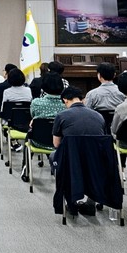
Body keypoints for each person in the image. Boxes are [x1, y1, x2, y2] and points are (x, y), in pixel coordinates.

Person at [51, 86, 106, 215]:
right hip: (97, 160)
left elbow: (56, 144)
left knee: (54, 156)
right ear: (82, 99)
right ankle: (91, 201)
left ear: (65, 100)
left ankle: (71, 200)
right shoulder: (98, 116)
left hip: (72, 161)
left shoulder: (62, 116)